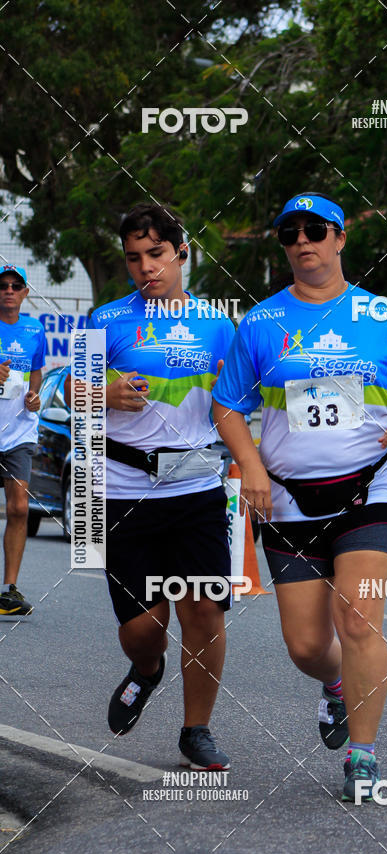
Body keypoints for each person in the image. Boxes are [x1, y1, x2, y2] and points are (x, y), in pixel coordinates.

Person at [213, 192, 387, 800]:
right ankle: (336, 684)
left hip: (371, 491)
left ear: (341, 239)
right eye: (290, 234)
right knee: (309, 645)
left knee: (358, 619)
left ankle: (363, 756)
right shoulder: (260, 324)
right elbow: (226, 408)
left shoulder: (383, 318)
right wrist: (251, 466)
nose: (303, 241)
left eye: (316, 230)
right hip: (287, 501)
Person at [66, 203, 234, 769]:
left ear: (182, 253)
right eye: (135, 258)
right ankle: (146, 668)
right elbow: (67, 390)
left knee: (203, 613)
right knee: (143, 628)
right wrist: (102, 392)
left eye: (156, 254)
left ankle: (197, 729)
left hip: (196, 490)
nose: (146, 267)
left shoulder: (218, 326)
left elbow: (236, 406)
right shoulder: (108, 320)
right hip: (122, 491)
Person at [0, 264, 44, 616]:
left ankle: (9, 590)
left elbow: (38, 369)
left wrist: (34, 394)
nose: (9, 290)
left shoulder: (34, 329)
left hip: (19, 432)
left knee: (19, 508)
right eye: (3, 286)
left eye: (16, 285)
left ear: (25, 292)